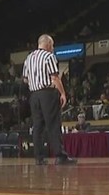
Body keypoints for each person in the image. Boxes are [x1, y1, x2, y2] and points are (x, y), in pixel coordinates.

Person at [23, 34, 75, 165]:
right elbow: (55, 77)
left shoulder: (28, 58)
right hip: (47, 93)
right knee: (53, 124)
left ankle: (39, 158)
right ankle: (60, 156)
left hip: (34, 95)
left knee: (38, 127)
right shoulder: (49, 56)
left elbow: (25, 79)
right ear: (47, 44)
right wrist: (63, 93)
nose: (53, 48)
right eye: (52, 45)